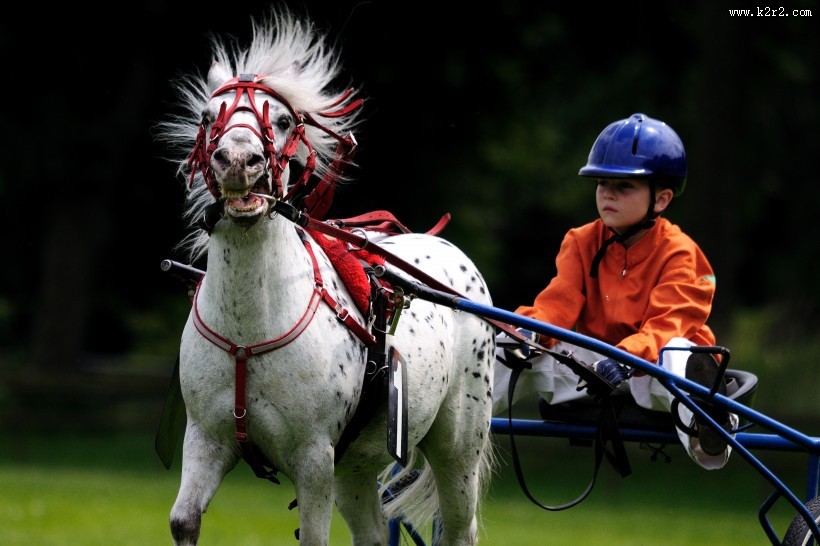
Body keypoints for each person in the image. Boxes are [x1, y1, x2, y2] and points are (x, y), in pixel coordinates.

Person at [493, 113, 737, 470]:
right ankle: (452, 425)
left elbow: (666, 325)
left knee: (677, 351)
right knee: (508, 342)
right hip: (596, 372)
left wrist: (625, 359)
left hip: (654, 375)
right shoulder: (580, 240)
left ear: (661, 199)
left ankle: (709, 433)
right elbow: (557, 305)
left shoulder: (681, 253)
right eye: (602, 182)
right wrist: (528, 333)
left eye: (624, 185)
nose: (608, 193)